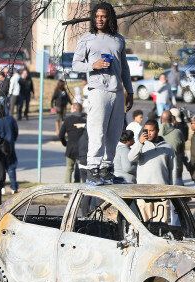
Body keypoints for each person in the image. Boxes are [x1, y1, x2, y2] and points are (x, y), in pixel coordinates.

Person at [72, 2, 134, 185]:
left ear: (109, 18)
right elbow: (75, 64)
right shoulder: (87, 39)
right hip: (97, 90)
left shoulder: (118, 40)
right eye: (97, 16)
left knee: (114, 133)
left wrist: (129, 90)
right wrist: (93, 65)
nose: (100, 19)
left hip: (117, 91)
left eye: (103, 16)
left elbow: (125, 68)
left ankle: (107, 169)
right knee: (97, 131)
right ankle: (93, 169)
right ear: (93, 18)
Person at [128, 119, 176, 220]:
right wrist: (140, 143)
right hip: (143, 191)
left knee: (162, 225)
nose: (148, 133)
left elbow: (172, 170)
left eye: (151, 130)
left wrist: (172, 190)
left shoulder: (167, 147)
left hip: (162, 191)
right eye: (146, 130)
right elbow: (131, 158)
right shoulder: (141, 146)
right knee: (145, 224)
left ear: (157, 131)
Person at [0, 103, 19, 194]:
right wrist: (13, 140)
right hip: (10, 146)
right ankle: (14, 187)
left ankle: (1, 187)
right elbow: (16, 131)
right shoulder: (11, 119)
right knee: (11, 167)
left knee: (0, 167)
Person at [59, 103, 87, 184]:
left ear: (74, 109)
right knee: (80, 168)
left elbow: (61, 135)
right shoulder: (85, 120)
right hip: (82, 148)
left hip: (70, 148)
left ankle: (66, 190)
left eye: (71, 108)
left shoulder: (68, 120)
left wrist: (65, 143)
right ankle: (77, 187)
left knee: (69, 168)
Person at [159, 110, 185, 185]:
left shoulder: (155, 132)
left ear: (161, 119)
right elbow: (181, 151)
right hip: (176, 171)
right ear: (171, 119)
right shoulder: (178, 132)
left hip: (161, 171)